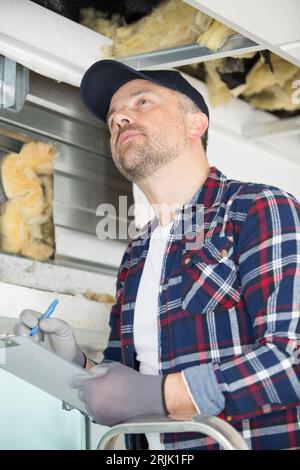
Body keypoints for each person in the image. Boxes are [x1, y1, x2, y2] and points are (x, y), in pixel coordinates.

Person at [15, 60, 300, 451]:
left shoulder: (259, 208)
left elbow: (291, 361)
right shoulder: (136, 253)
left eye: (142, 102)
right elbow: (129, 383)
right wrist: (76, 367)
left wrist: (163, 396)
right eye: (113, 119)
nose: (120, 119)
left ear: (194, 124)